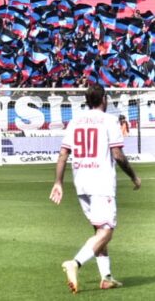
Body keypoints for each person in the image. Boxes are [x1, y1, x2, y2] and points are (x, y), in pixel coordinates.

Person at [50, 84, 142, 293]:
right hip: (101, 182)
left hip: (81, 182)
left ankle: (106, 277)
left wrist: (58, 182)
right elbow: (118, 155)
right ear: (104, 99)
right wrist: (134, 176)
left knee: (99, 230)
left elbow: (63, 154)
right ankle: (76, 263)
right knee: (106, 231)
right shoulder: (109, 120)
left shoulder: (75, 121)